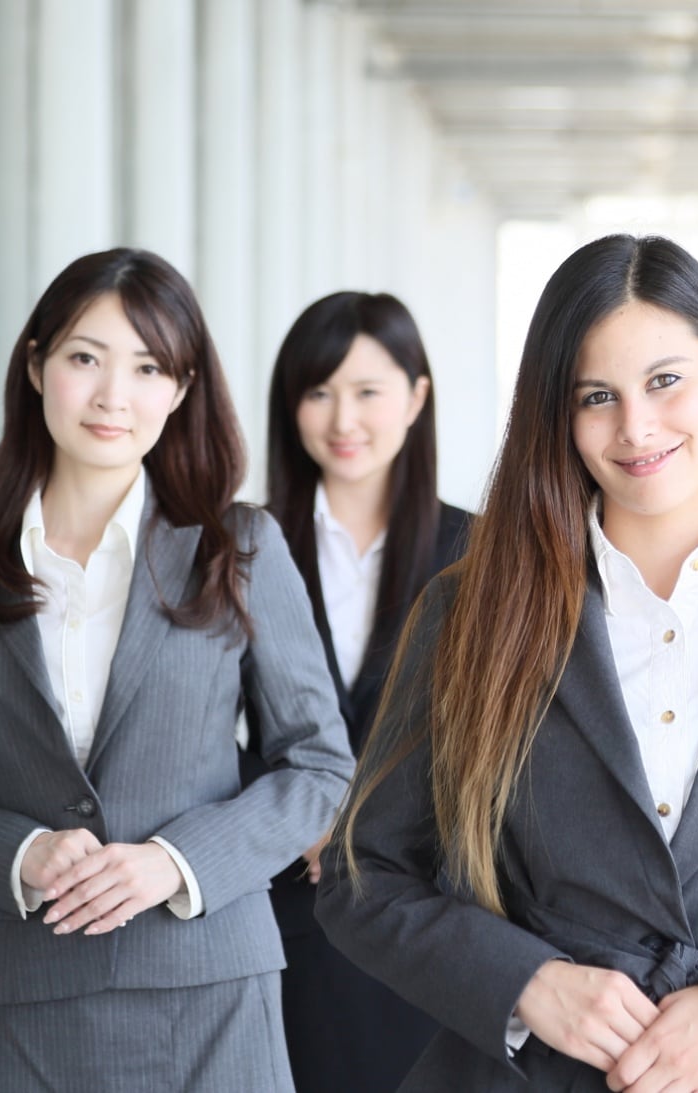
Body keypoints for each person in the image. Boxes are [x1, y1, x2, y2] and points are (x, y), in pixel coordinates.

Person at [316, 234, 698, 1092]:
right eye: (597, 397)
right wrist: (526, 984)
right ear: (560, 418)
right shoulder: (471, 611)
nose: (636, 427)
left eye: (665, 381)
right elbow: (363, 878)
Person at [0, 248, 355, 1092]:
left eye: (150, 367)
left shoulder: (240, 548)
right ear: (36, 365)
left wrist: (175, 861)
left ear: (181, 390)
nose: (116, 395)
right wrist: (21, 852)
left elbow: (323, 767)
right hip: (31, 1001)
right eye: (86, 358)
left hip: (213, 992)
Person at [256, 291, 470, 1092]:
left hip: (420, 914)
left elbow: (494, 739)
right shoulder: (239, 545)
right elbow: (203, 727)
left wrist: (366, 825)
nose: (342, 418)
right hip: (280, 913)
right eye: (318, 391)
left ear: (417, 397)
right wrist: (297, 814)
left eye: (368, 391)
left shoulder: (476, 551)